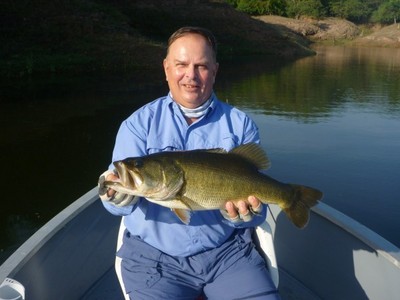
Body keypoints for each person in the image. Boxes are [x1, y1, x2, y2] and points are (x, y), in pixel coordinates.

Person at [99, 26, 280, 300]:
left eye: (201, 66)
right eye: (181, 65)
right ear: (166, 68)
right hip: (154, 260)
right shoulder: (137, 125)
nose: (190, 76)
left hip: (228, 254)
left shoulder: (241, 125)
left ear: (215, 70)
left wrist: (245, 216)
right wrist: (115, 197)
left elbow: (256, 211)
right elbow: (115, 204)